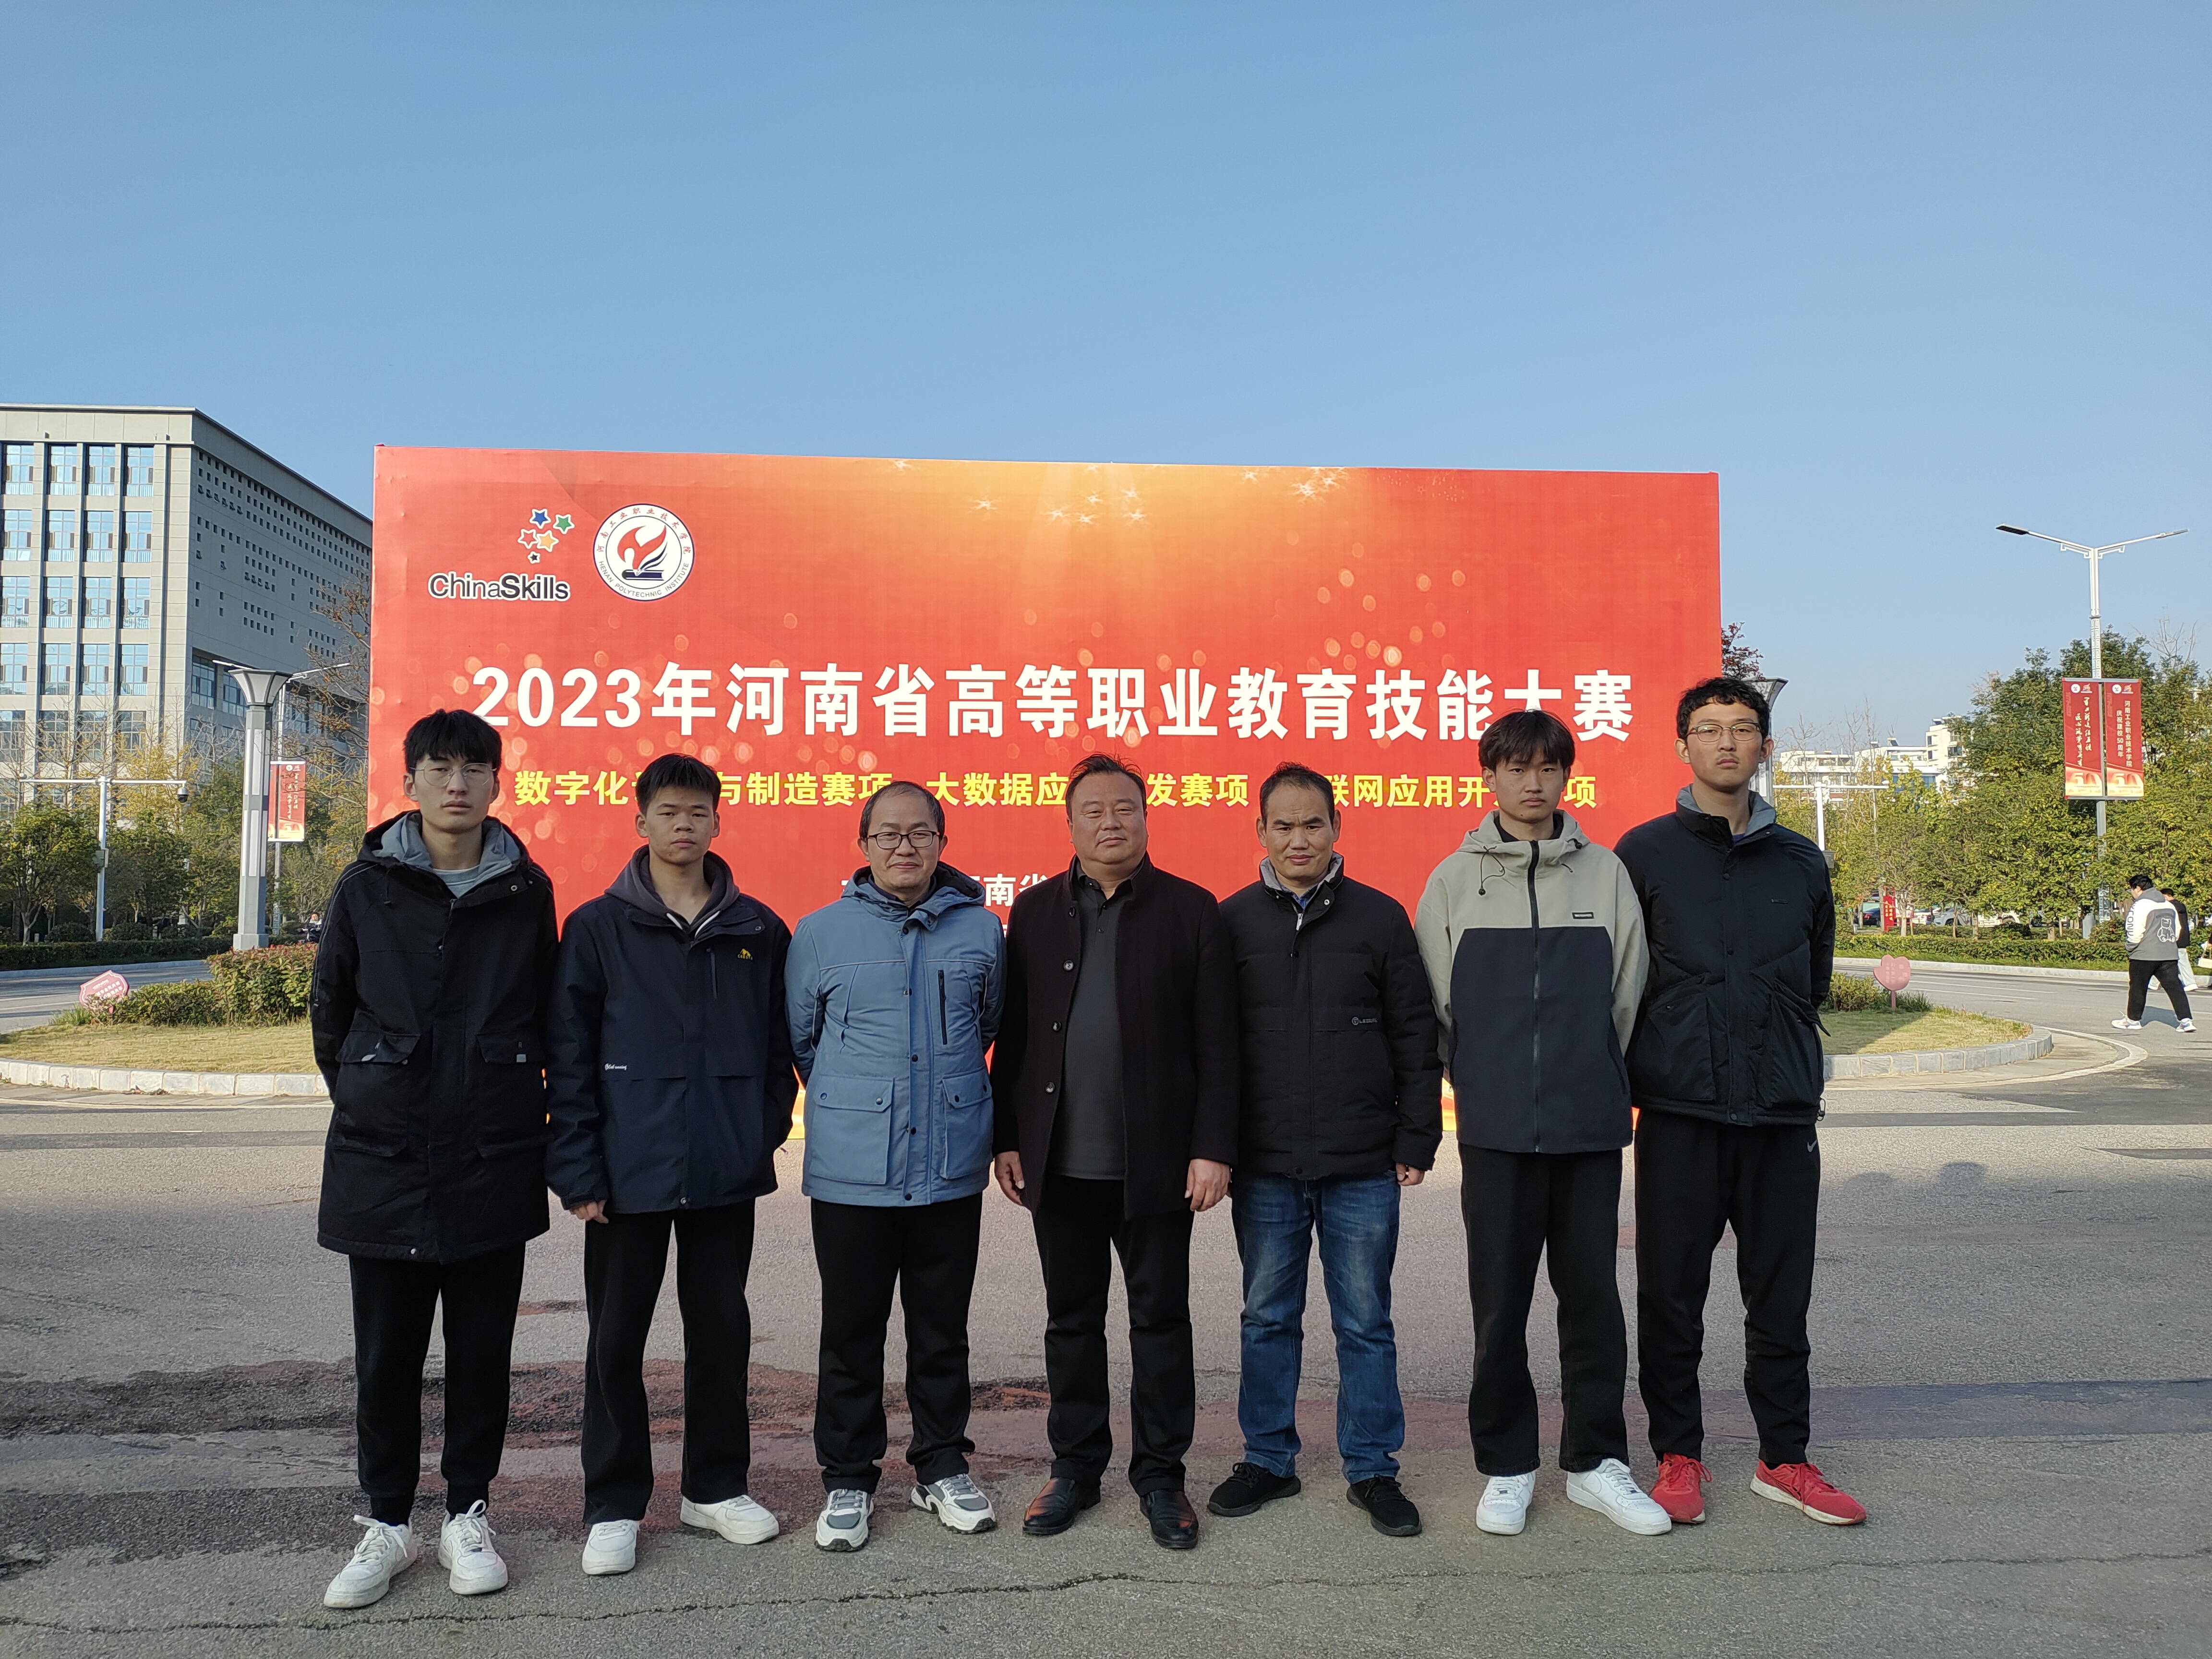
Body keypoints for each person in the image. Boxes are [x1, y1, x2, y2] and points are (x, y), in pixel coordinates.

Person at [310, 709, 559, 1608]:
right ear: (410, 780)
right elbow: (331, 1014)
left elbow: (543, 1014)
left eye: (475, 768)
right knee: (385, 1358)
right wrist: (375, 1095)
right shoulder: (366, 886)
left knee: (482, 1354)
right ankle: (386, 1524)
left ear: (497, 782)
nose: (459, 784)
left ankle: (466, 1515)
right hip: (384, 1160)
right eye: (441, 767)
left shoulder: (526, 891)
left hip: (493, 1152)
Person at [1616, 677, 1866, 1528]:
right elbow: (1624, 978)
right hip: (1679, 1110)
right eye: (1708, 728)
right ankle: (1678, 1455)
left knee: (1781, 1299)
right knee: (1670, 1298)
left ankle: (1783, 1458)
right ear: (1681, 745)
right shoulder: (1643, 854)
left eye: (1743, 728)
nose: (1726, 742)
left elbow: (1812, 978)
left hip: (1780, 1113)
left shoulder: (1801, 860)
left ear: (1765, 745)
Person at [1414, 710, 1668, 1539]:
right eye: (1516, 768)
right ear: (1489, 777)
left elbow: (1626, 995)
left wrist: (1586, 1071)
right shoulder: (1454, 881)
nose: (1533, 783)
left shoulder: (1605, 875)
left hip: (1587, 1128)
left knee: (1592, 1300)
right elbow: (1435, 1009)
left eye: (1548, 768)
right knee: (1499, 1304)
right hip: (1493, 1134)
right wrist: (1481, 1083)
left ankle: (1596, 1462)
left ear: (1566, 776)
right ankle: (1507, 1464)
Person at [545, 754, 799, 1577]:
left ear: (718, 822)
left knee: (721, 1331)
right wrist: (578, 1169)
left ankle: (715, 1488)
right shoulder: (597, 927)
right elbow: (569, 1056)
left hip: (724, 1169)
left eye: (698, 811)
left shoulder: (756, 929)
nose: (683, 824)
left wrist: (758, 1132)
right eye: (668, 811)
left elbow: (779, 1050)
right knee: (616, 1341)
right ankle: (614, 1504)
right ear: (641, 822)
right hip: (626, 1174)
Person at [989, 752, 1239, 1550]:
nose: (1110, 822)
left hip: (1158, 1165)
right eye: (1092, 810)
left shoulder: (1191, 910)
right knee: (1071, 1322)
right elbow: (1014, 1037)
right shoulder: (1033, 911)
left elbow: (1219, 1043)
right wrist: (1006, 1137)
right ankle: (1075, 1469)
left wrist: (1212, 1148)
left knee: (1160, 1321)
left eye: (1124, 807)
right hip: (1059, 1163)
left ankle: (1161, 1477)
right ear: (1069, 824)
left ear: (1146, 816)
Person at [1211, 763, 1439, 1538]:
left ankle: (1372, 1469)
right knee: (1265, 1318)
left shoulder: (1379, 918)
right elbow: (1212, 1048)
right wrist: (1217, 1147)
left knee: (1365, 1322)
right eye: (1283, 825)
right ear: (1260, 832)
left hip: (1361, 1161)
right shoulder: (1232, 921)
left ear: (1336, 827)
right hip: (1265, 1164)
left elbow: (1415, 1034)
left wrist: (1416, 1136)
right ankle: (1267, 1459)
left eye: (1313, 823)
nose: (1298, 839)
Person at [785, 781, 1007, 1552]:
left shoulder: (982, 930)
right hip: (854, 1171)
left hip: (949, 1164)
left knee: (942, 1330)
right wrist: (858, 1101)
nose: (904, 846)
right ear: (864, 845)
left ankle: (941, 1465)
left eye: (920, 833)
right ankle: (848, 1478)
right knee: (852, 1332)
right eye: (888, 834)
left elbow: (988, 1025)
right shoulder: (820, 933)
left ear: (943, 843)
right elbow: (804, 1039)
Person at [2113, 874, 2194, 1033]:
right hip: (2169, 954)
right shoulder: (2168, 905)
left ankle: (2133, 1020)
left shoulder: (2140, 905)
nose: (2132, 893)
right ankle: (2186, 1021)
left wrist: (2130, 947)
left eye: (2131, 889)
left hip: (2144, 954)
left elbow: (2135, 930)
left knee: (2138, 988)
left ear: (2138, 888)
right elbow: (2177, 930)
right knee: (2175, 988)